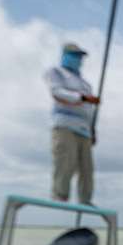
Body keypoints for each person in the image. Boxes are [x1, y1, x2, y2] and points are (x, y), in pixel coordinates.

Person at [44, 42, 100, 205]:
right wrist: (82, 97)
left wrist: (93, 131)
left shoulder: (85, 83)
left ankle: (85, 199)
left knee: (87, 169)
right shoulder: (55, 72)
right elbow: (56, 93)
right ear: (65, 54)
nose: (79, 59)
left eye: (81, 56)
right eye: (75, 55)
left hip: (84, 129)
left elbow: (89, 110)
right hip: (64, 124)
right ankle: (60, 194)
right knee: (65, 162)